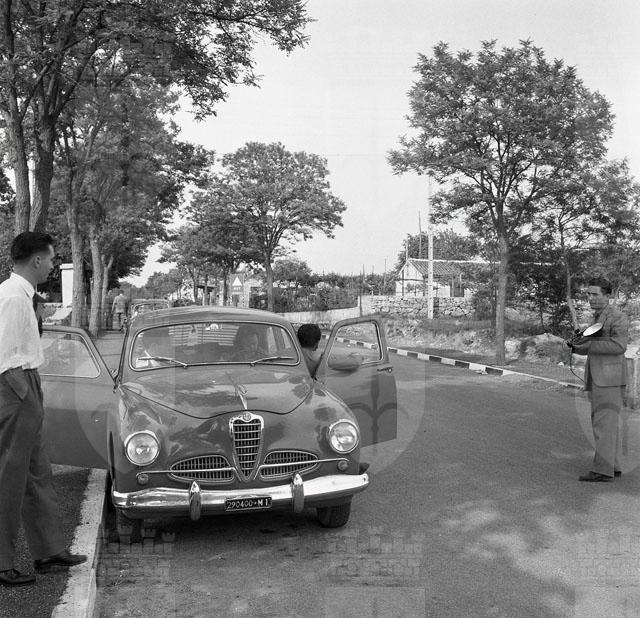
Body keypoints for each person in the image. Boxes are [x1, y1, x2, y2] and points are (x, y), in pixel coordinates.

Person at [0, 232, 86, 587]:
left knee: (37, 473)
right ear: (36, 260)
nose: (52, 265)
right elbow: (3, 354)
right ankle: (2, 562)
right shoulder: (12, 298)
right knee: (8, 477)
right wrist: (22, 390)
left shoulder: (22, 295)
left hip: (25, 381)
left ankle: (49, 551)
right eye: (50, 259)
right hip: (13, 383)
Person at [568, 277, 629, 482]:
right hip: (599, 377)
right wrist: (577, 345)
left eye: (595, 294)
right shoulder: (598, 317)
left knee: (603, 425)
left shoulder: (617, 316)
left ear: (607, 295)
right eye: (588, 294)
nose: (590, 298)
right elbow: (592, 345)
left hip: (609, 379)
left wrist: (589, 345)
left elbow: (619, 346)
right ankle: (613, 467)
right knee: (606, 424)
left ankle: (602, 471)